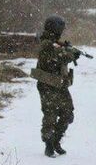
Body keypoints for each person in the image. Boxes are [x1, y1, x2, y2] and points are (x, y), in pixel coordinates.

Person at [31, 16, 80, 157]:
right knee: (50, 115)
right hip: (47, 85)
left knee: (67, 114)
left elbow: (61, 56)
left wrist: (69, 51)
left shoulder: (56, 43)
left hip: (60, 85)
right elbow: (57, 57)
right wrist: (71, 54)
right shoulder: (46, 43)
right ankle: (49, 144)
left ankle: (56, 141)